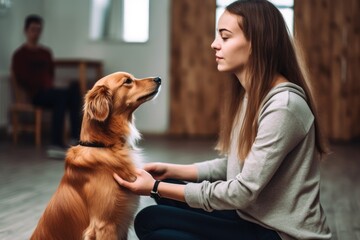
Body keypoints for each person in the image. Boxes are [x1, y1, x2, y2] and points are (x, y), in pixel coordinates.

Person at [113, 0, 332, 239]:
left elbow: (241, 191)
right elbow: (238, 166)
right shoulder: (254, 94)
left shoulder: (284, 106)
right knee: (156, 209)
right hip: (252, 216)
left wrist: (154, 187)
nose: (214, 44)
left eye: (225, 37)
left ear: (257, 43)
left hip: (280, 233)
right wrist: (172, 171)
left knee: (154, 225)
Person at [11, 14, 81, 158]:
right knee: (60, 95)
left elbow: (50, 75)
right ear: (26, 31)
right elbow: (23, 80)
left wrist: (55, 86)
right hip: (35, 94)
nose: (36, 33)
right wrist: (46, 86)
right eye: (33, 29)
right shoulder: (20, 55)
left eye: (38, 30)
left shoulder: (46, 53)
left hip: (49, 91)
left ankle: (76, 139)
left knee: (74, 89)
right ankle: (55, 144)